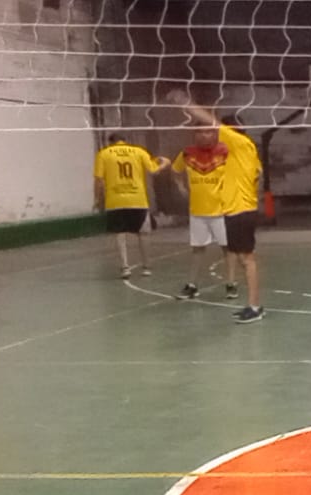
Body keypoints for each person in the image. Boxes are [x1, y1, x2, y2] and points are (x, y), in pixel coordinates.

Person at [169, 91, 265, 323]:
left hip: (241, 210)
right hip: (234, 209)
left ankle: (255, 307)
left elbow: (210, 121)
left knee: (247, 259)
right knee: (242, 258)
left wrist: (186, 103)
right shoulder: (244, 152)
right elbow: (257, 175)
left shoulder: (239, 143)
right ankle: (251, 304)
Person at [94, 133, 169, 279]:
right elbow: (154, 170)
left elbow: (98, 180)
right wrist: (164, 163)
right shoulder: (139, 151)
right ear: (126, 140)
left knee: (120, 234)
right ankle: (146, 267)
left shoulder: (103, 154)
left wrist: (98, 199)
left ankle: (125, 267)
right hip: (137, 199)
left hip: (115, 200)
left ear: (111, 142)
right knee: (143, 233)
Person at [169, 126, 232, 299]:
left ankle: (231, 284)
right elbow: (175, 171)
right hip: (197, 211)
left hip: (221, 210)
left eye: (208, 131)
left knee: (228, 249)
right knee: (197, 249)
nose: (204, 135)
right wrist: (181, 187)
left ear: (215, 134)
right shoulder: (187, 153)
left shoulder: (225, 152)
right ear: (195, 134)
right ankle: (192, 285)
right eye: (200, 132)